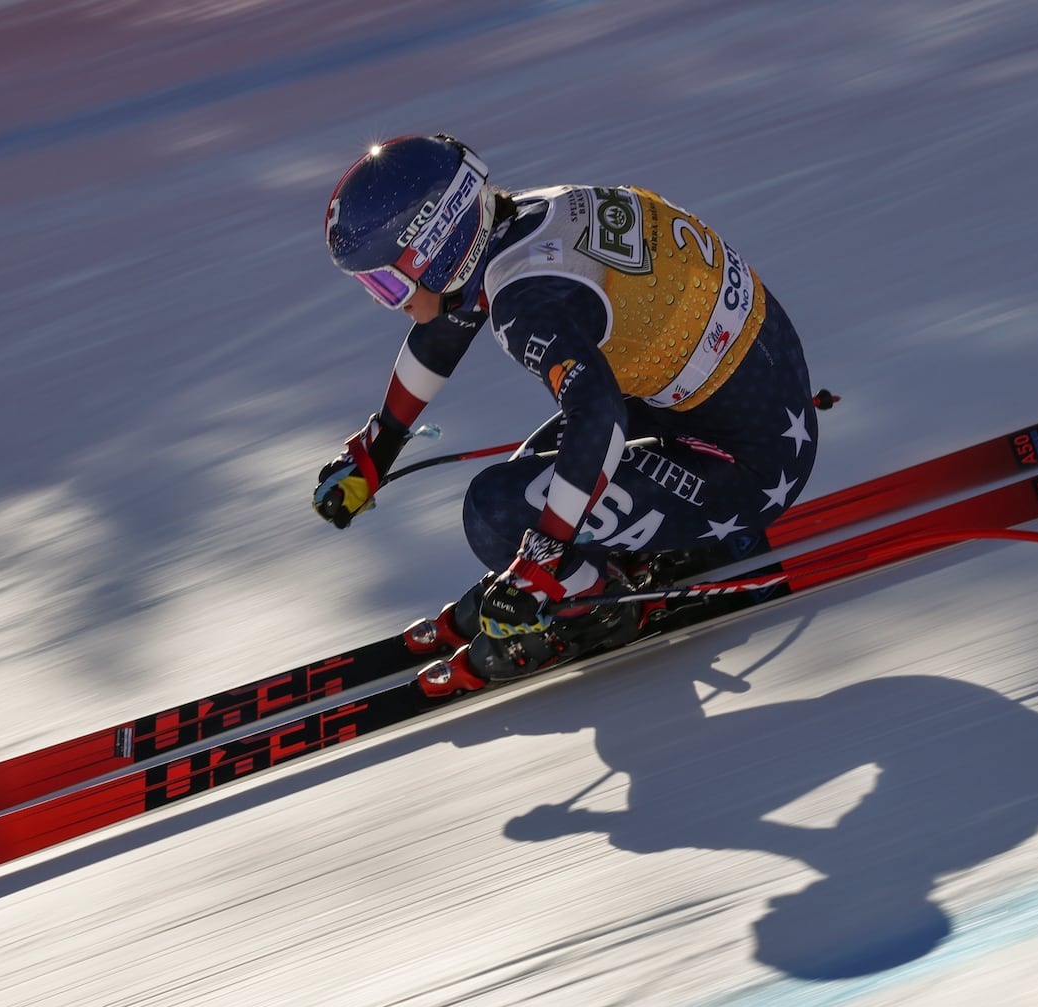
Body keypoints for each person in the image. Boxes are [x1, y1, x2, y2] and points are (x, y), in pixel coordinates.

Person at [315, 133, 819, 680]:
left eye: (387, 282)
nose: (389, 300)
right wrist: (379, 446)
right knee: (533, 477)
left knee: (497, 513)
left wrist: (543, 558)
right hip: (740, 405)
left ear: (437, 250)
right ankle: (612, 559)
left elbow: (600, 420)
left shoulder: (525, 300)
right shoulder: (528, 217)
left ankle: (589, 607)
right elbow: (445, 327)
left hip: (751, 463)